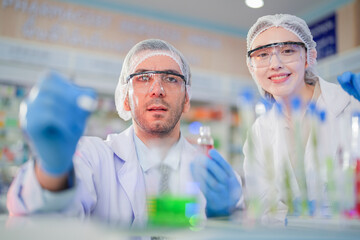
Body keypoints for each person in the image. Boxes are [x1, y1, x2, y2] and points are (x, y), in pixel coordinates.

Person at [7, 39, 242, 227]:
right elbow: (44, 224)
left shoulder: (215, 176)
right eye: (143, 78)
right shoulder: (93, 156)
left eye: (171, 79)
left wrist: (223, 219)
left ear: (187, 99)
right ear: (125, 99)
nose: (157, 90)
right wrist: (52, 170)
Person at [242, 14, 360, 225]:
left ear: (308, 57)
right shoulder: (258, 131)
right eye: (262, 54)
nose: (275, 64)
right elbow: (261, 206)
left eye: (287, 51)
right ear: (252, 66)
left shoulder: (351, 105)